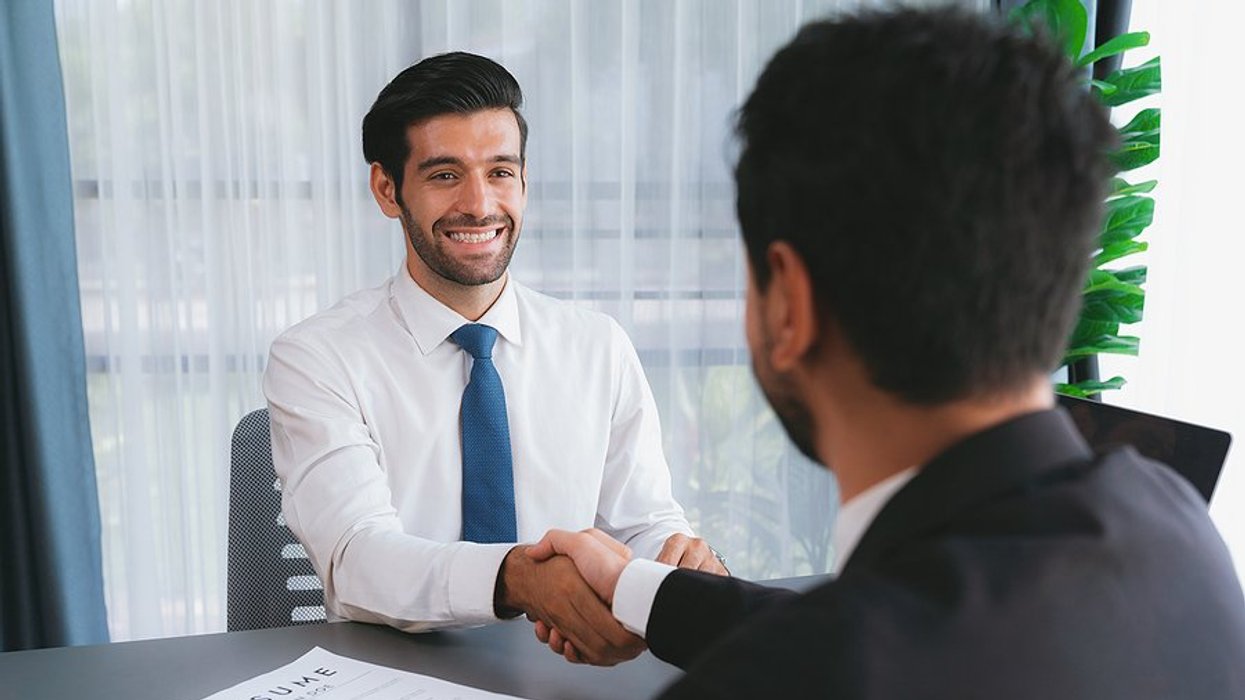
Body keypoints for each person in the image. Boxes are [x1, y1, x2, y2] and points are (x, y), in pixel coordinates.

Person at [528, 7, 1245, 697]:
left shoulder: (799, 672)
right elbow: (893, 640)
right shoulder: (1175, 531)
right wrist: (634, 585)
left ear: (790, 303)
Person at [262, 51, 724, 664]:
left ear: (524, 181)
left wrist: (682, 560)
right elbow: (358, 556)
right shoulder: (317, 358)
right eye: (445, 175)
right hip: (395, 675)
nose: (480, 204)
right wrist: (518, 579)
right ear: (387, 189)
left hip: (567, 672)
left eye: (500, 171)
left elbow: (640, 523)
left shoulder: (597, 345)